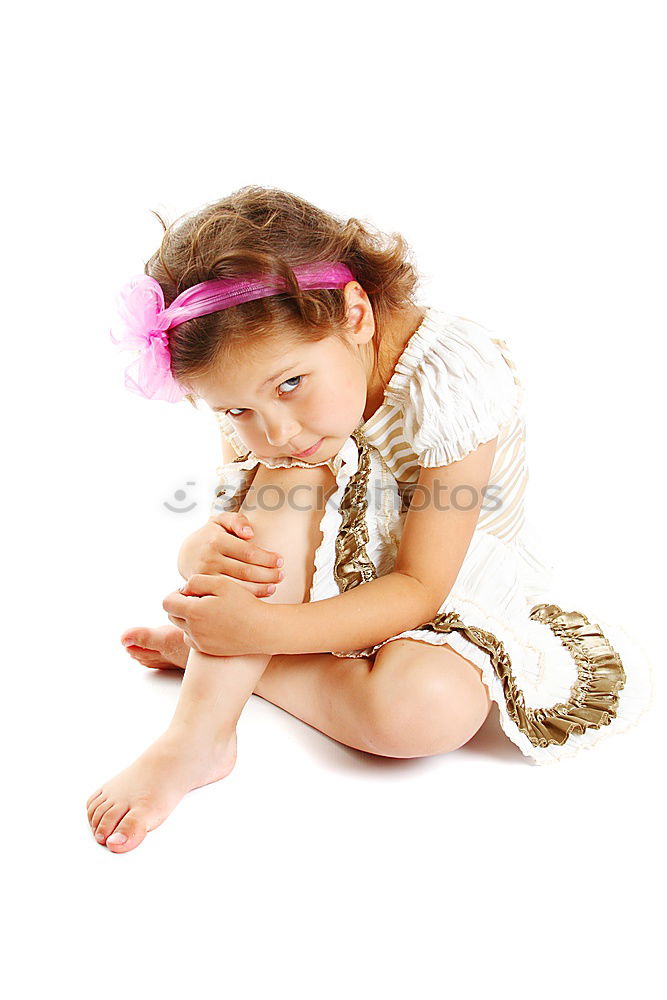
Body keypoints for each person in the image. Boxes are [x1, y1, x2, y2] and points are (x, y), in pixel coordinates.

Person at [87, 185, 655, 854]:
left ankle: (240, 658)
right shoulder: (276, 415)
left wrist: (261, 629)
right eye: (235, 412)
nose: (276, 429)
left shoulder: (451, 375)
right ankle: (198, 737)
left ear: (354, 313)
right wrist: (203, 550)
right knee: (286, 481)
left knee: (423, 712)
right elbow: (243, 507)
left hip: (443, 578)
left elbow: (421, 587)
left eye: (291, 384)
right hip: (329, 575)